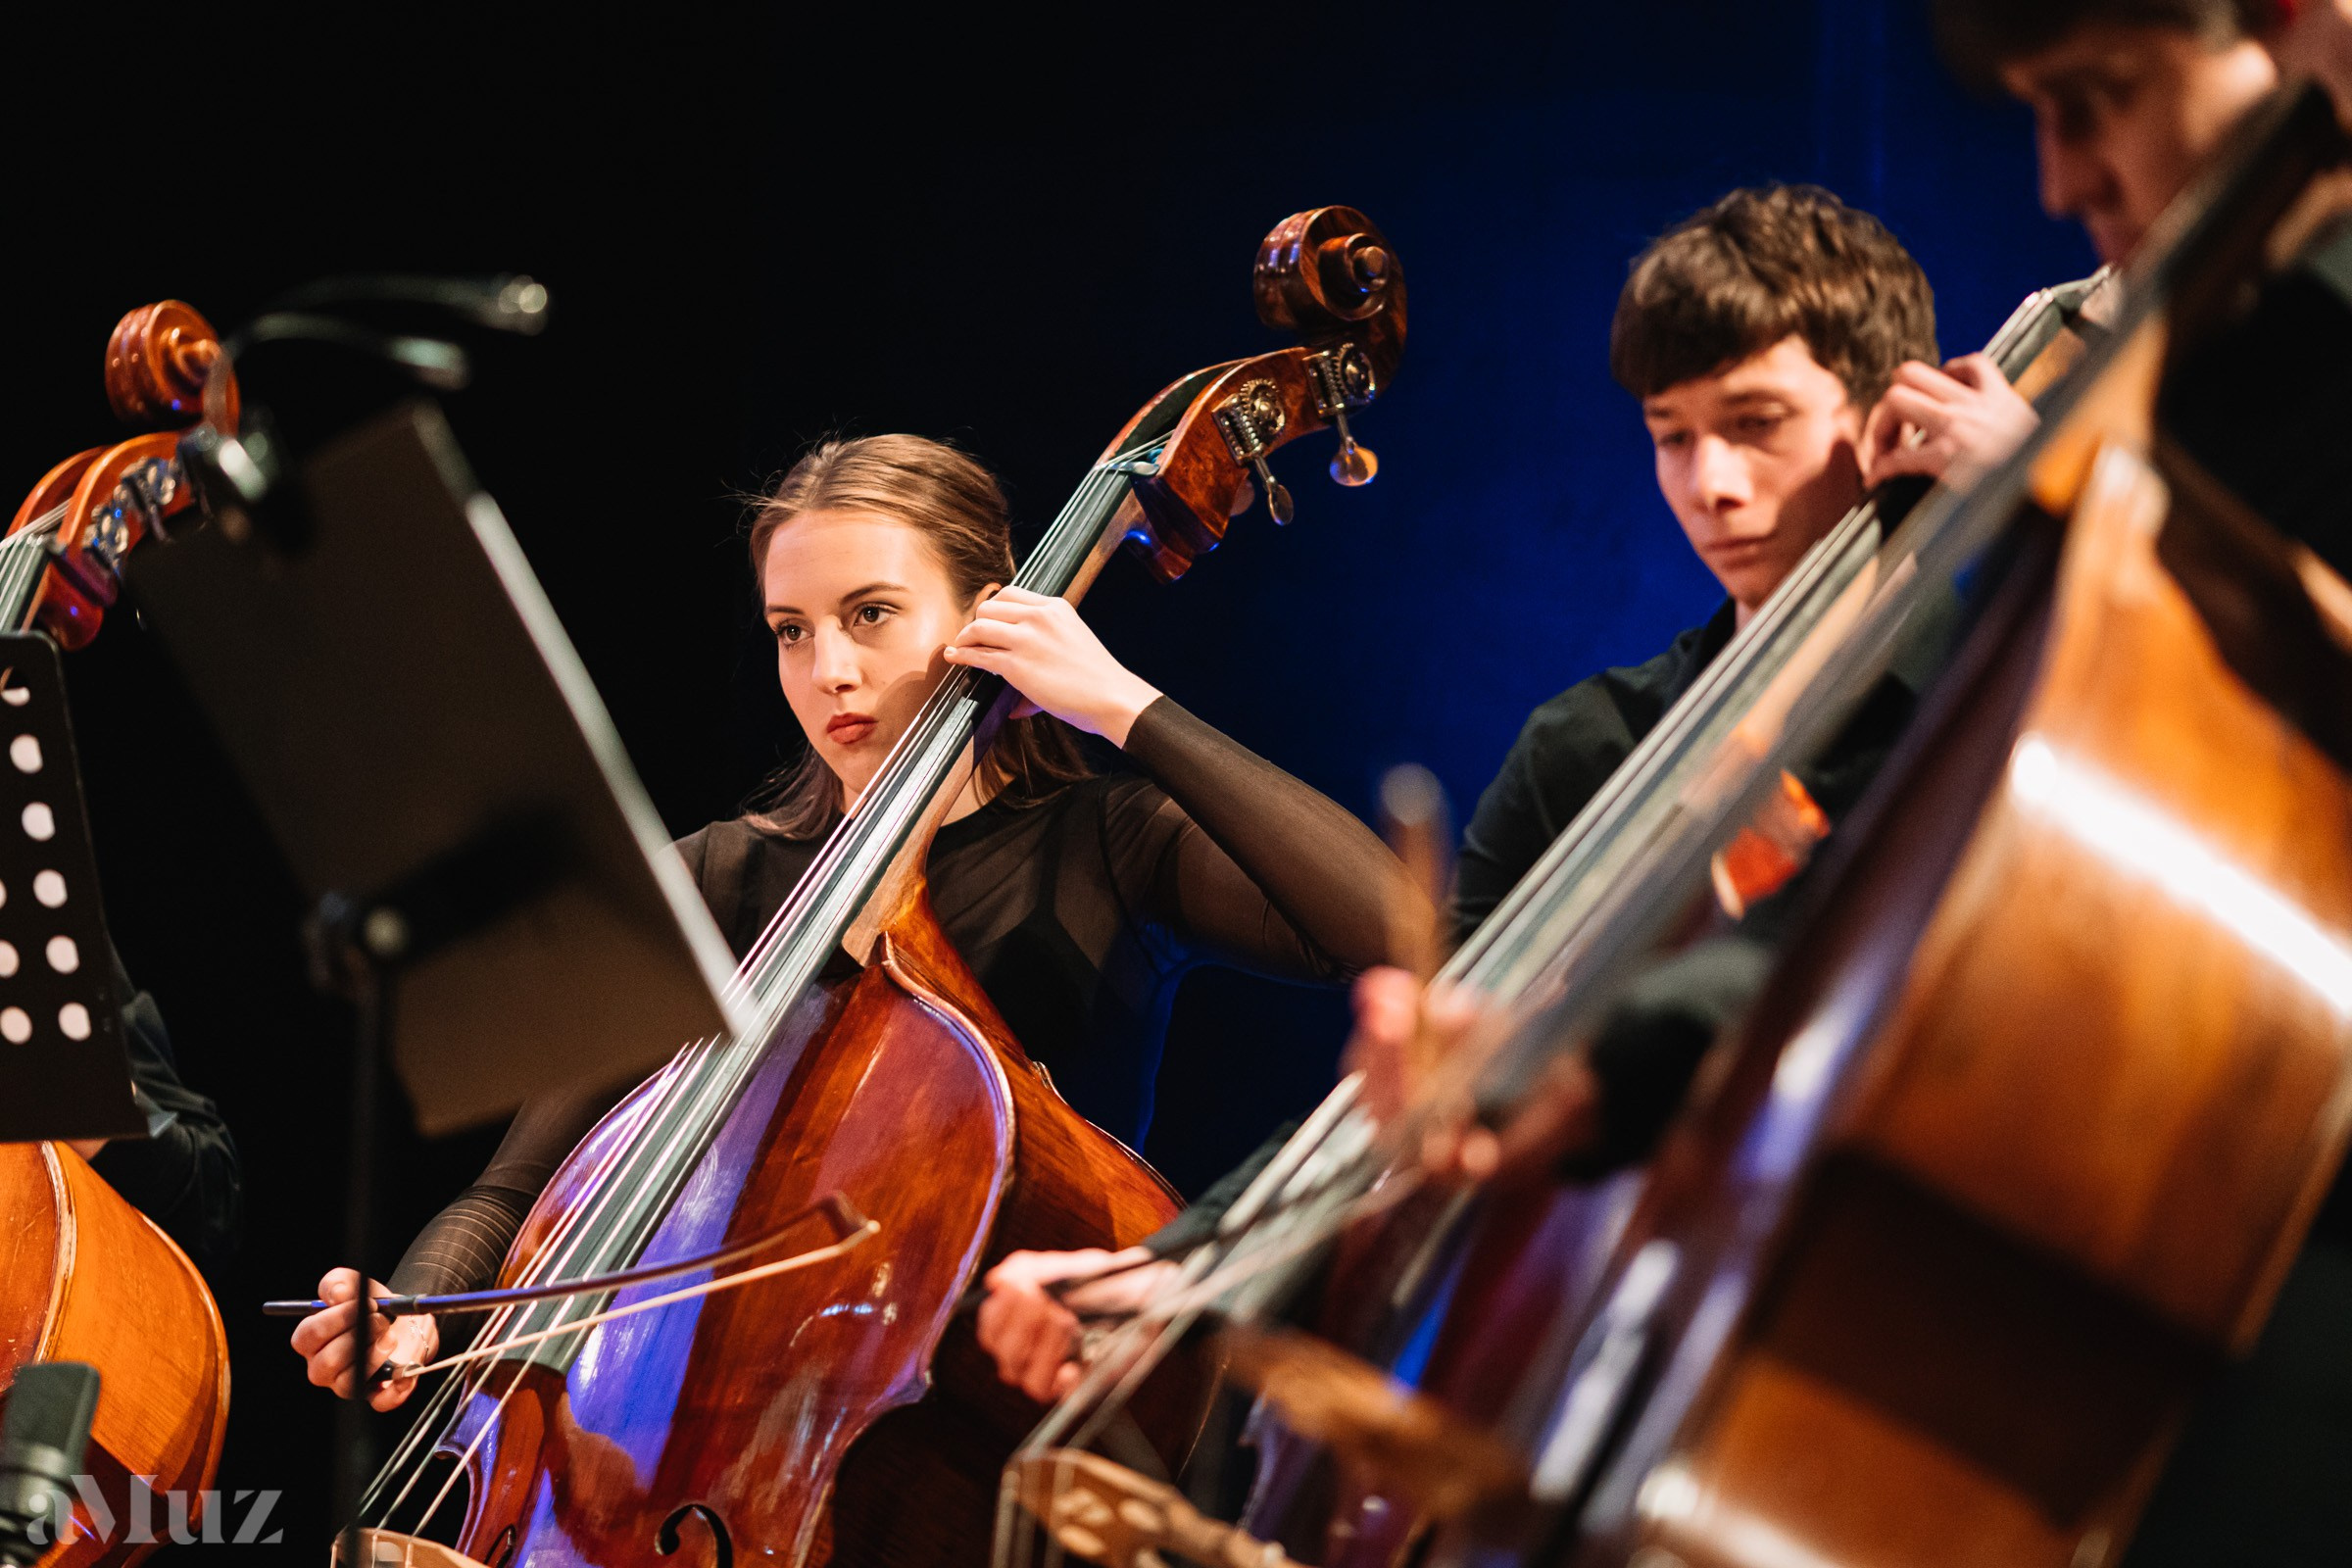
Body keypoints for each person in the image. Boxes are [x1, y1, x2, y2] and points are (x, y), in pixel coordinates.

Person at [977, 184, 1978, 1401]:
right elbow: (1419, 1081)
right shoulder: (1592, 743)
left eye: (1757, 422)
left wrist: (2056, 513)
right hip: (1612, 1361)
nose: (1710, 483)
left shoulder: (2004, 685)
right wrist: (1182, 1269)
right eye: (1672, 434)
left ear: (1889, 414)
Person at [289, 432, 1421, 1408]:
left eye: (871, 615)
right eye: (791, 629)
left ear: (989, 613)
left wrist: (1121, 704)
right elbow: (515, 1189)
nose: (829, 669)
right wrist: (422, 1305)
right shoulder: (722, 877)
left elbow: (1399, 936)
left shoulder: (1107, 843)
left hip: (999, 1418)